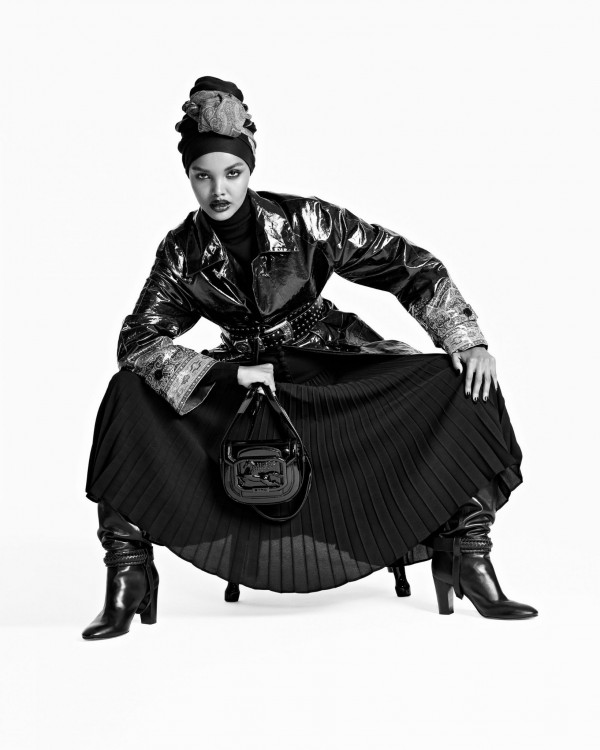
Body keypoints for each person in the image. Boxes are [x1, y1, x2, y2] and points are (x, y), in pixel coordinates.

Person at [81, 75, 537, 640]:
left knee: (458, 382)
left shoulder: (307, 219)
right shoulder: (181, 250)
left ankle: (465, 554)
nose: (219, 190)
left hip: (328, 362)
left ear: (250, 168)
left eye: (232, 173)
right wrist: (228, 373)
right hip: (248, 381)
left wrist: (466, 340)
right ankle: (128, 573)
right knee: (126, 393)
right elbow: (138, 342)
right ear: (188, 176)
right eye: (203, 176)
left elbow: (406, 264)